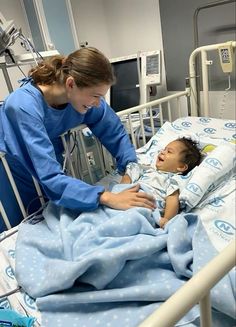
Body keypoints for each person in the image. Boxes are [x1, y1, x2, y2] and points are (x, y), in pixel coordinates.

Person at [0, 47, 156, 230]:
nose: (98, 103)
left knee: (47, 218)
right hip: (13, 172)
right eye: (96, 96)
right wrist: (107, 197)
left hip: (47, 168)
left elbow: (114, 131)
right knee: (16, 225)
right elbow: (50, 177)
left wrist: (129, 168)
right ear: (71, 84)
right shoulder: (23, 106)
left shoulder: (80, 100)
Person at [120, 137, 202, 228]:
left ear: (181, 166)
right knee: (132, 168)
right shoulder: (148, 170)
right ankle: (118, 197)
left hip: (146, 207)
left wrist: (166, 219)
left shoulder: (172, 180)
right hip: (127, 199)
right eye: (164, 149)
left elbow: (172, 200)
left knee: (131, 219)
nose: (162, 152)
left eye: (169, 152)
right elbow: (130, 176)